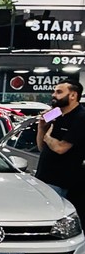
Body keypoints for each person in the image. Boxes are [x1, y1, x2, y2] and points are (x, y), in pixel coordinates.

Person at [35, 78, 84, 217]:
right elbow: (41, 148)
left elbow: (60, 148)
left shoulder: (80, 118)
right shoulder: (55, 113)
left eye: (59, 92)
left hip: (61, 182)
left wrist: (48, 137)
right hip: (43, 178)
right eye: (54, 91)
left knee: (52, 218)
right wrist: (41, 128)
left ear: (73, 95)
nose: (54, 95)